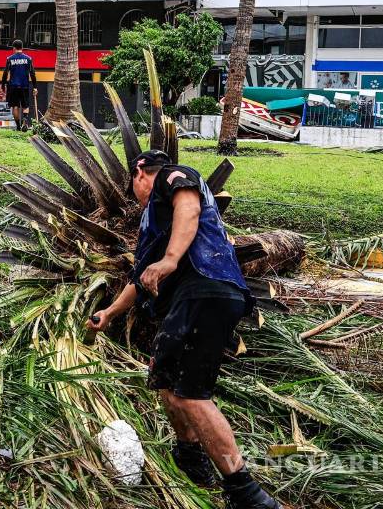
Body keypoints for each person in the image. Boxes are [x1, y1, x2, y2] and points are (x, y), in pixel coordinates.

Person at [88, 151, 279, 509]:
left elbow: (188, 207)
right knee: (168, 385)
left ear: (139, 172)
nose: (136, 192)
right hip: (203, 298)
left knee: (190, 393)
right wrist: (110, 313)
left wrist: (172, 259)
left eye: (134, 184)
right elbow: (140, 278)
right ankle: (191, 458)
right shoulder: (157, 223)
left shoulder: (173, 178)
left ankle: (247, 493)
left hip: (205, 289)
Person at [2, 39, 38, 130]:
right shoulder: (28, 59)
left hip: (13, 86)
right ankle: (25, 120)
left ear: (14, 48)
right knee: (25, 105)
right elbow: (32, 73)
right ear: (22, 48)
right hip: (24, 85)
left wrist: (3, 84)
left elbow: (5, 73)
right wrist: (35, 87)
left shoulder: (9, 59)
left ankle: (18, 126)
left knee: (15, 106)